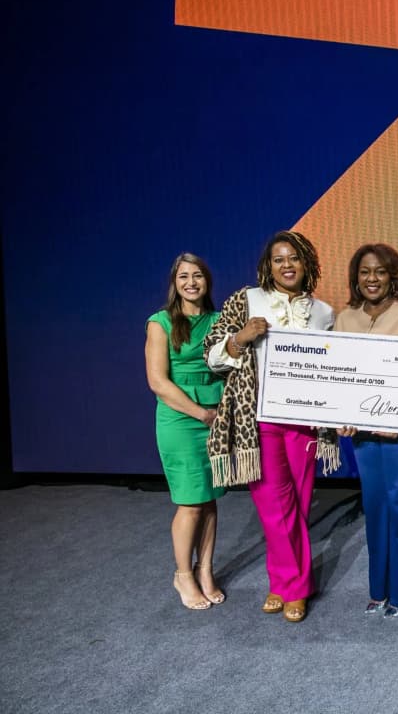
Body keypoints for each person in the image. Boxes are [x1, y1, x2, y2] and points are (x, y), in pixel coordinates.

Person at [204, 231, 336, 623]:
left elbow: (334, 371)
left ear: (306, 262)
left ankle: (285, 583)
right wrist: (240, 338)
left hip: (306, 423)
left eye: (293, 258)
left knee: (297, 500)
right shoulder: (245, 301)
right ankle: (294, 587)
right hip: (258, 422)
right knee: (273, 507)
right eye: (279, 259)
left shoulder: (325, 313)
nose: (287, 265)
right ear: (268, 266)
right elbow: (212, 356)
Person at [335, 243, 398, 617]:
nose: (372, 279)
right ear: (355, 277)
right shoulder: (345, 317)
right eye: (365, 272)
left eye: (380, 271)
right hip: (363, 434)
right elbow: (340, 376)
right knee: (375, 508)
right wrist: (341, 414)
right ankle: (379, 588)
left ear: (393, 275)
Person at [145, 253, 226, 610]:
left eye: (197, 276)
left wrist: (220, 414)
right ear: (174, 284)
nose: (191, 282)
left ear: (207, 281)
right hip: (180, 418)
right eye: (183, 277)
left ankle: (205, 569)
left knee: (210, 501)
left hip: (217, 414)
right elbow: (158, 383)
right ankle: (183, 575)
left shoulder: (220, 320)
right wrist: (200, 413)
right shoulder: (159, 323)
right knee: (190, 503)